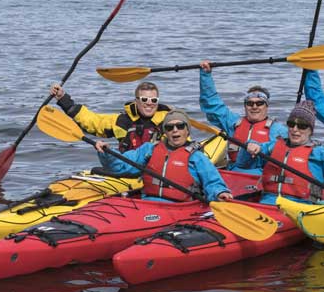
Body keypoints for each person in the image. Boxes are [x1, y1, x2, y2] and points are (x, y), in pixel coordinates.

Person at [93, 110, 234, 202]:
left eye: (180, 126)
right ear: (165, 132)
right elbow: (121, 166)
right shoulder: (149, 149)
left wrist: (219, 193)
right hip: (147, 204)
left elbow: (212, 182)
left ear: (187, 131)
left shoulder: (197, 157)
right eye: (169, 127)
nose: (175, 130)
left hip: (177, 208)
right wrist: (107, 153)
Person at [198, 59, 288, 169]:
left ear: (266, 106)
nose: (254, 107)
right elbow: (211, 104)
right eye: (250, 103)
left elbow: (288, 150)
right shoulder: (233, 122)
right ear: (245, 106)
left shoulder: (278, 130)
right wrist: (206, 75)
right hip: (233, 171)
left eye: (259, 103)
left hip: (260, 175)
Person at [50, 81, 172, 152]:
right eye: (144, 99)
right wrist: (63, 99)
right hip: (129, 169)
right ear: (136, 101)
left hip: (159, 171)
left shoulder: (170, 121)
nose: (149, 103)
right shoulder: (122, 121)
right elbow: (92, 121)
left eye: (153, 99)